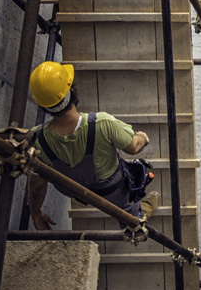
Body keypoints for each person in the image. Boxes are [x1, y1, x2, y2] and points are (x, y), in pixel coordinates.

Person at [27, 61, 159, 230]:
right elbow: (133, 148)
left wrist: (36, 213)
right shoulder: (103, 124)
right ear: (72, 91)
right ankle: (137, 217)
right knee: (127, 210)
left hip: (78, 193)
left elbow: (37, 185)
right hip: (112, 192)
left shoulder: (36, 140)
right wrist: (142, 137)